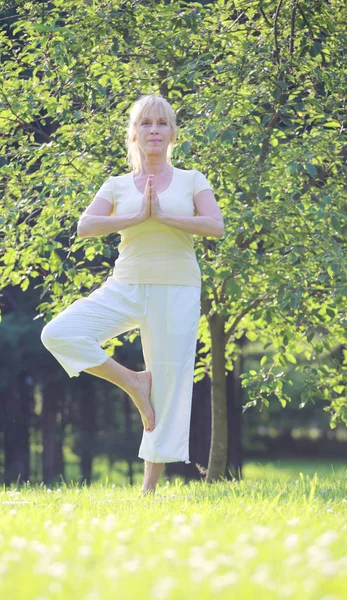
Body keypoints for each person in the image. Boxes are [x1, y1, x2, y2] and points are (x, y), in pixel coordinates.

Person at [41, 93, 224, 495]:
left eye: (162, 123)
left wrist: (165, 216)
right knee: (58, 333)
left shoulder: (193, 179)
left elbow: (215, 226)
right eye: (146, 123)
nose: (154, 130)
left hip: (176, 287)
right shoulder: (117, 184)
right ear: (134, 133)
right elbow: (85, 226)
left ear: (173, 132)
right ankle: (133, 383)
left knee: (171, 383)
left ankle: (147, 492)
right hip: (125, 284)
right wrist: (137, 216)